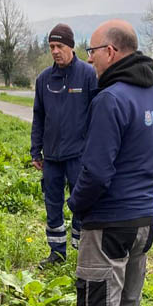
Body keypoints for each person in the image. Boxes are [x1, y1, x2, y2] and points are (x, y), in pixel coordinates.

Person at [66, 20, 153, 306]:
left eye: (91, 52)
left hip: (107, 224)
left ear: (111, 52)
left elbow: (95, 173)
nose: (88, 60)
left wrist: (76, 206)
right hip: (143, 220)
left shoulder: (110, 100)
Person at [30, 23, 97, 267]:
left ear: (71, 46)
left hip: (79, 156)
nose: (55, 51)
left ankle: (83, 252)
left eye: (59, 46)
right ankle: (57, 254)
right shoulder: (44, 80)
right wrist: (35, 149)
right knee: (52, 205)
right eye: (51, 47)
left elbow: (98, 115)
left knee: (81, 203)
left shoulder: (88, 76)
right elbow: (38, 116)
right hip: (52, 159)